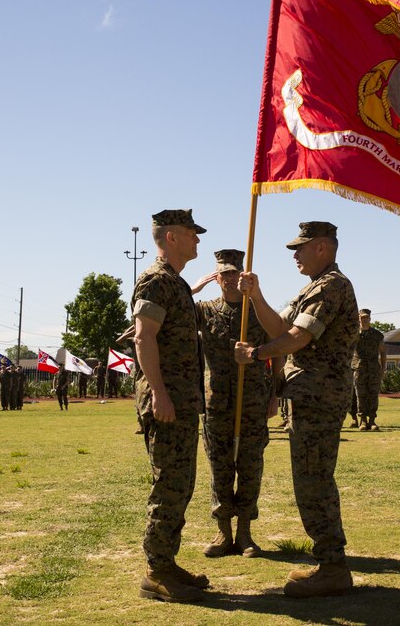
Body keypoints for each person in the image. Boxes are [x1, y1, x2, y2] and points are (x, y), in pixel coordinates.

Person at [235, 221, 359, 598]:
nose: (294, 255)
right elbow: (279, 327)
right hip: (309, 397)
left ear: (322, 247)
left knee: (314, 480)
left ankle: (332, 566)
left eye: (300, 248)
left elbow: (297, 338)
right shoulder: (313, 288)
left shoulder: (332, 286)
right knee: (310, 478)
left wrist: (256, 354)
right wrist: (256, 296)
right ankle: (329, 562)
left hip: (320, 397)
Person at [132, 209, 210, 603]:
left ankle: (167, 562)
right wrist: (159, 393)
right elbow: (143, 339)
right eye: (191, 233)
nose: (198, 239)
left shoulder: (175, 284)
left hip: (180, 401)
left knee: (181, 486)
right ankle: (156, 572)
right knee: (170, 485)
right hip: (167, 402)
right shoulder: (155, 281)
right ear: (172, 237)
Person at [192, 249, 276, 559]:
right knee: (220, 467)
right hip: (217, 403)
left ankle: (245, 534)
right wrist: (195, 287)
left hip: (252, 399)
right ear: (216, 277)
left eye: (233, 273)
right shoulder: (205, 310)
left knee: (250, 465)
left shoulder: (256, 310)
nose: (228, 279)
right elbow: (171, 308)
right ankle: (223, 532)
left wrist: (275, 394)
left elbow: (278, 337)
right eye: (222, 273)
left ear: (242, 274)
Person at [352, 308, 386, 430]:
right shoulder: (354, 334)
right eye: (362, 318)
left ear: (370, 319)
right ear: (358, 319)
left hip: (373, 369)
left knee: (373, 395)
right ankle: (362, 421)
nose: (364, 320)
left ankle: (372, 421)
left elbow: (383, 352)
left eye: (366, 318)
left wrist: (382, 370)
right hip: (359, 369)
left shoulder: (377, 335)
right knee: (360, 395)